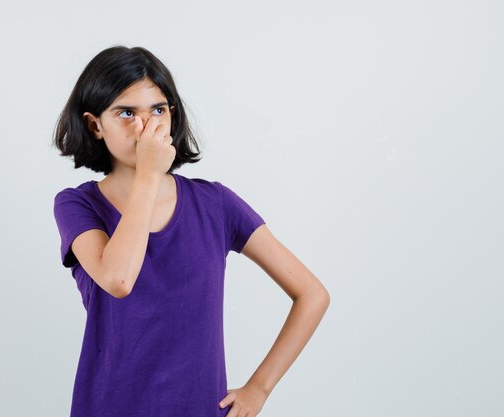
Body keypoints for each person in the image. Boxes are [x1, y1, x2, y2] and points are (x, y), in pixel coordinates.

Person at [52, 45, 330, 417]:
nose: (147, 125)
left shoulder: (215, 204)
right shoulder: (77, 205)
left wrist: (259, 389)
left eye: (158, 110)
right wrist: (149, 175)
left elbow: (312, 294)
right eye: (126, 113)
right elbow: (118, 279)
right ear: (94, 125)